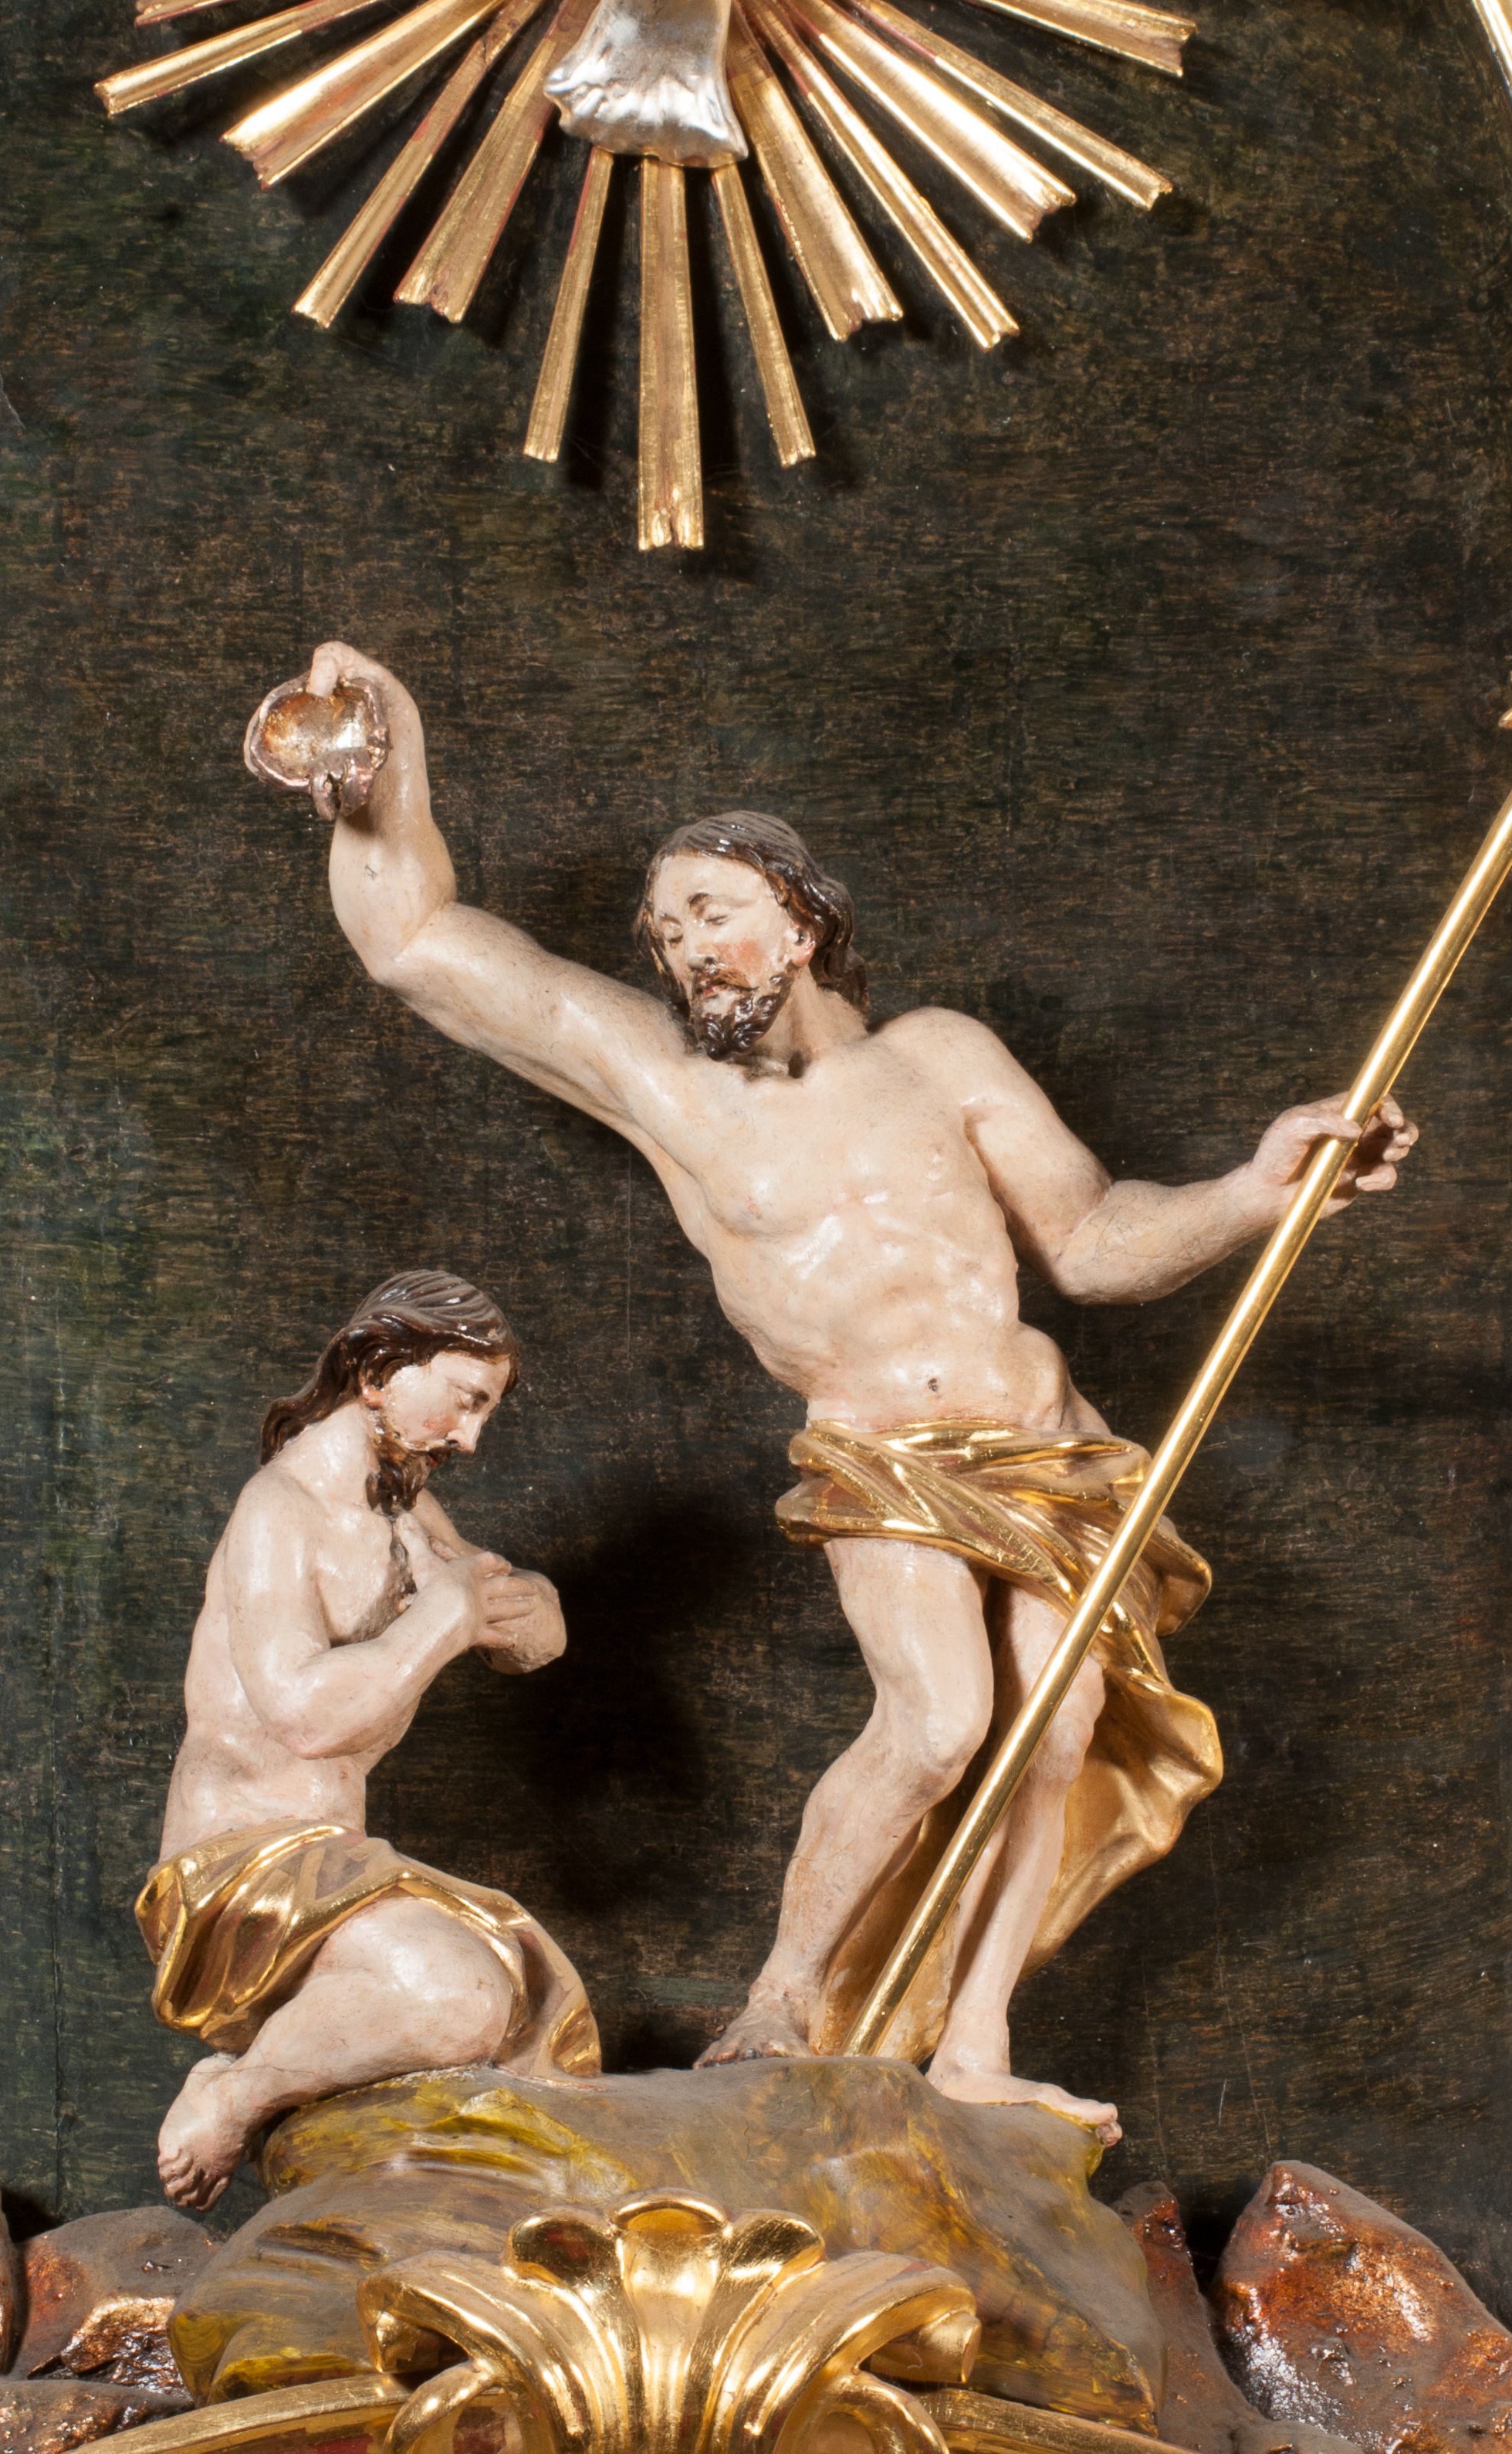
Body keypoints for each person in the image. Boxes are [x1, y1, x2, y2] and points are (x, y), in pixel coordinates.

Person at [281, 644, 1416, 2144]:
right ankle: (784, 1996)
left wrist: (1253, 1191)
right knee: (939, 1720)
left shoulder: (942, 1058)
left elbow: (1091, 1237)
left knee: (1053, 1726)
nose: (686, 947)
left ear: (801, 917)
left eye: (712, 910)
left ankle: (976, 2042)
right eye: (666, 929)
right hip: (882, 1446)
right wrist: (382, 767)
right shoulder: (667, 1084)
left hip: (1046, 1440)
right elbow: (417, 940)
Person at [140, 1270, 598, 2208]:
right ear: (379, 1370)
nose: (470, 1438)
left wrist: (529, 1607)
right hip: (237, 1877)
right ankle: (234, 2093)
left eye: (486, 1411)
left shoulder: (401, 1504)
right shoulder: (280, 1510)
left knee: (521, 2005)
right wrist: (445, 1618)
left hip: (336, 1865)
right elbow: (304, 1715)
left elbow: (521, 1630)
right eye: (465, 1400)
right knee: (460, 1995)